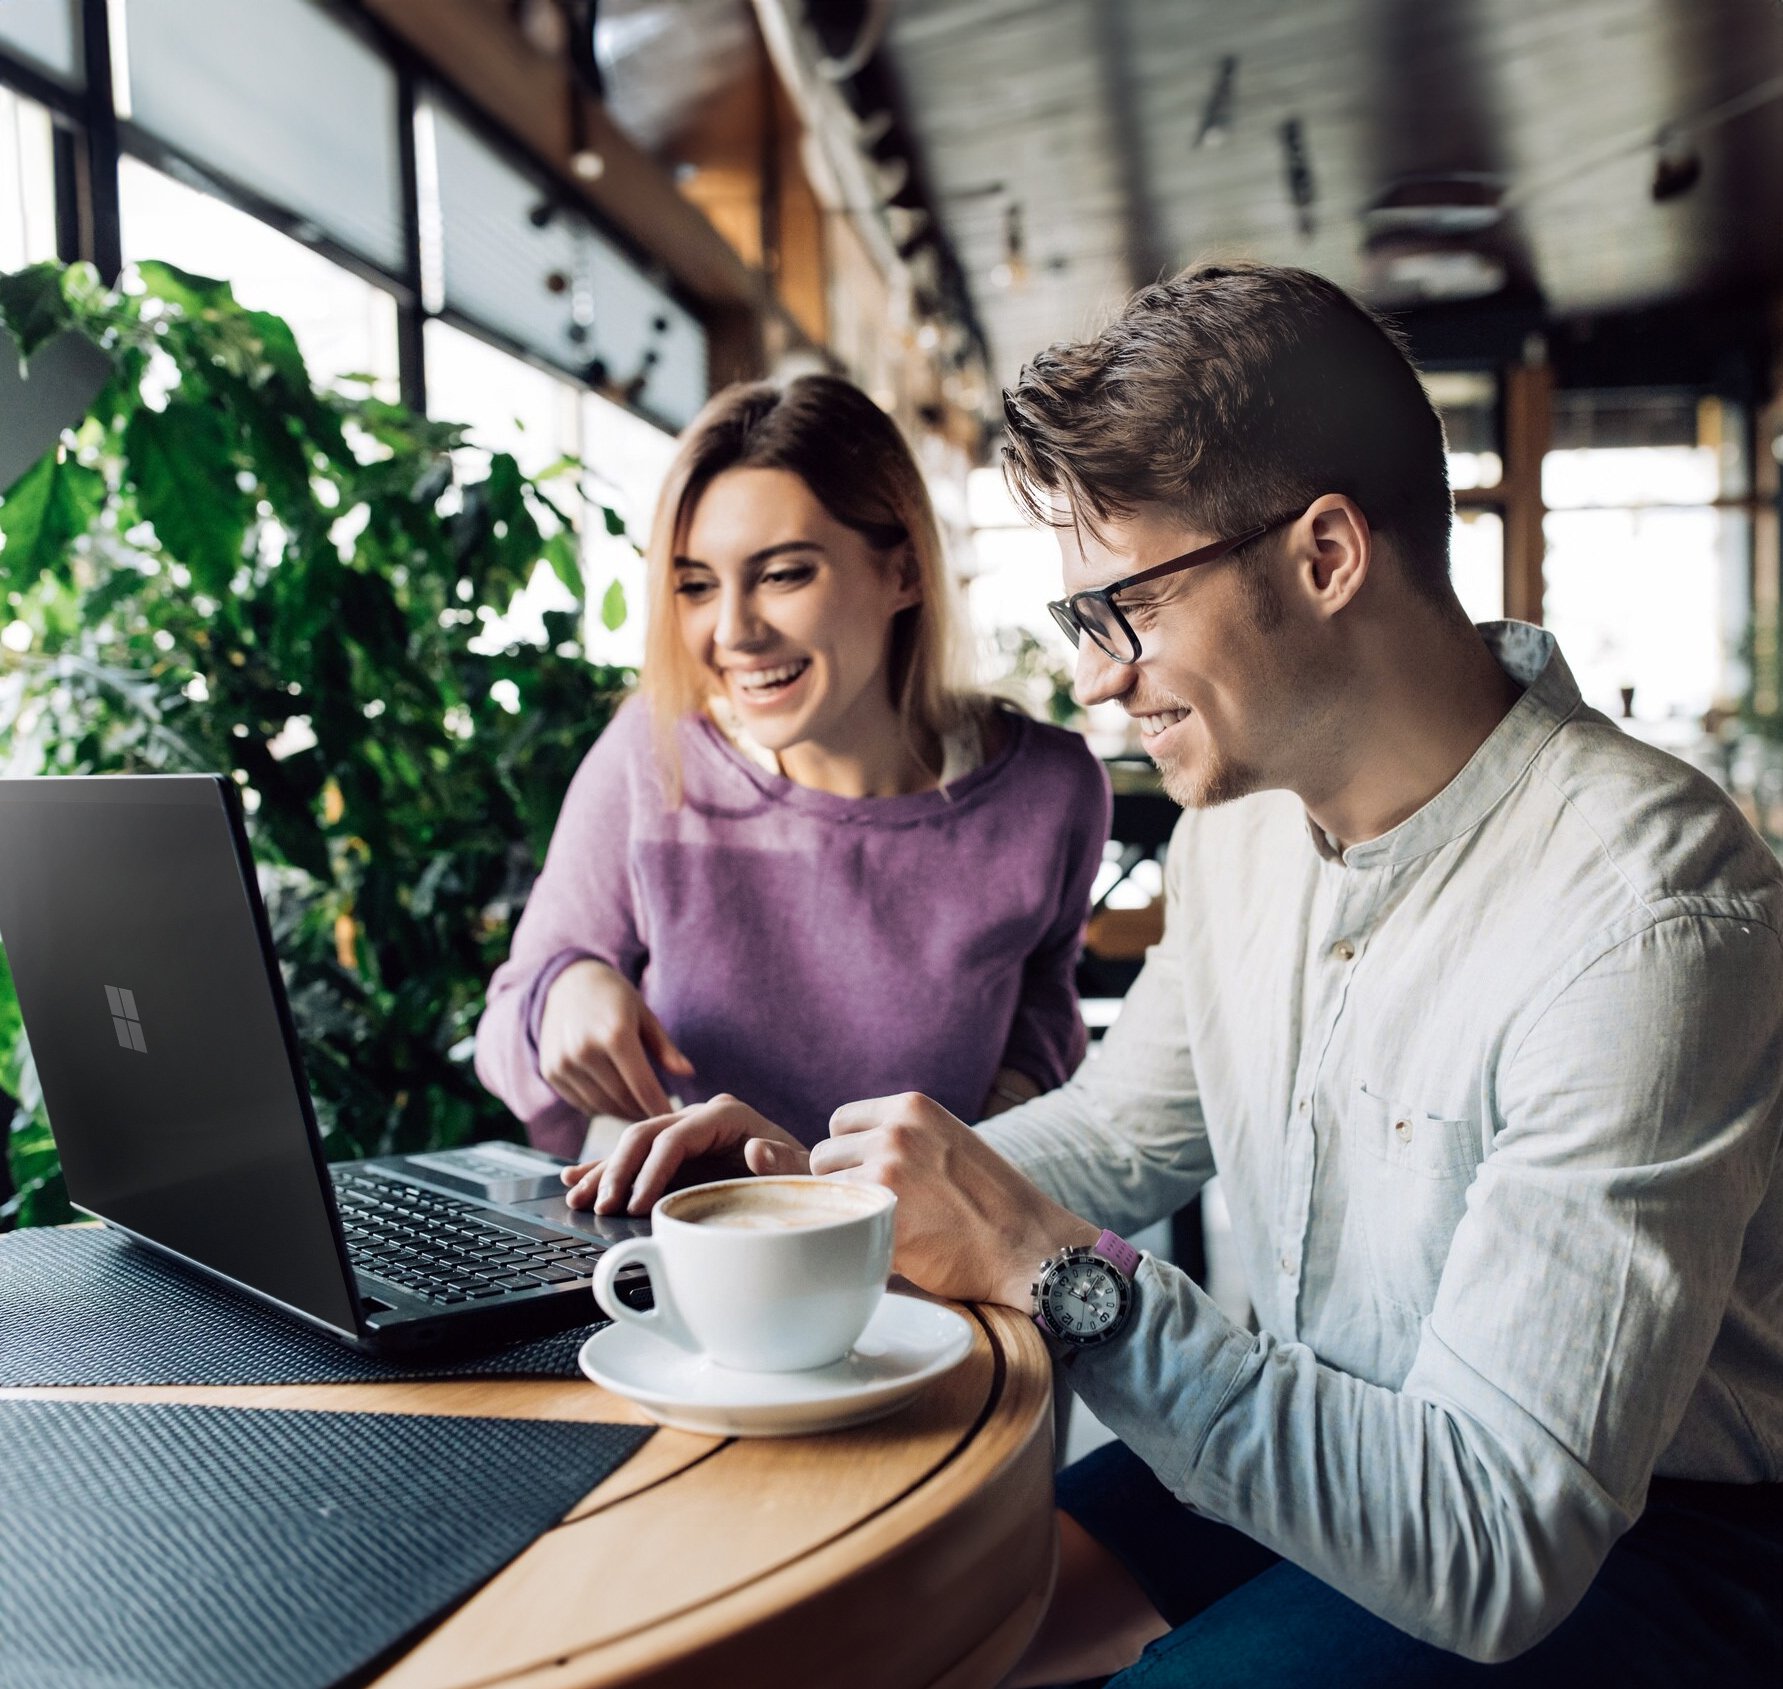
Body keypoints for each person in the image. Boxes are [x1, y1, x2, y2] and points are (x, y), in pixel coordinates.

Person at [575, 267, 1783, 1685]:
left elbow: (1491, 1538)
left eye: (1123, 608)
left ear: (1324, 555)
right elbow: (1125, 1131)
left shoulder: (1646, 908)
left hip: (1627, 1534)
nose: (1091, 681)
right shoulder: (1247, 819)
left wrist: (1051, 1273)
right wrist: (820, 1197)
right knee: (891, 1630)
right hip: (1320, 1422)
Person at [475, 373, 1111, 1174]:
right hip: (692, 1256)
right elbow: (509, 1020)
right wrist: (561, 993)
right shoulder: (652, 752)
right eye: (696, 586)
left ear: (905, 572)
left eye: (782, 574)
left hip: (927, 1261)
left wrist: (988, 1144)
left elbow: (1044, 999)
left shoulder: (1048, 792)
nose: (733, 631)